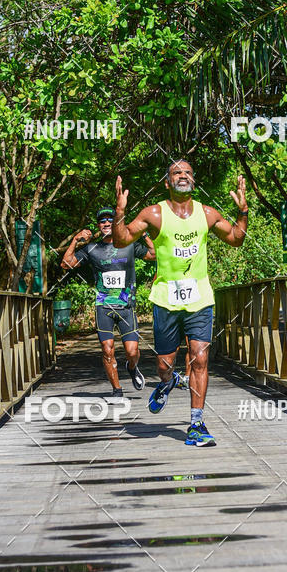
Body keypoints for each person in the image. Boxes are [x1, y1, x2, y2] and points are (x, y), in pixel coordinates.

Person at [112, 160, 248, 446]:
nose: (183, 176)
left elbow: (236, 239)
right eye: (176, 172)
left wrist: (243, 212)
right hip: (166, 299)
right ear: (167, 182)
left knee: (200, 357)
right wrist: (120, 214)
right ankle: (168, 381)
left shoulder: (207, 214)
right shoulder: (154, 214)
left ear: (193, 181)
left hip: (200, 297)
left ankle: (196, 424)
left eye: (187, 173)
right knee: (164, 365)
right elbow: (121, 240)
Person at [61, 207, 155, 397]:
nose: (106, 223)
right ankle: (117, 390)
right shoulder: (92, 249)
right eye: (102, 221)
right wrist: (75, 240)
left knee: (132, 352)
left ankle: (132, 367)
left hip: (126, 306)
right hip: (103, 307)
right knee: (107, 349)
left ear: (117, 222)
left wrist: (143, 234)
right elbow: (66, 264)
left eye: (110, 219)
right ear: (98, 225)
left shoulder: (130, 244)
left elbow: (153, 255)